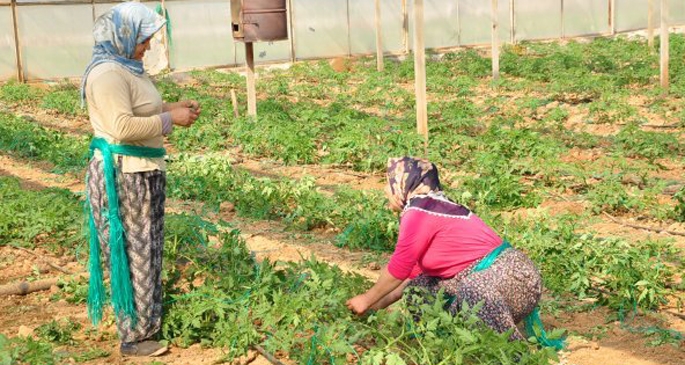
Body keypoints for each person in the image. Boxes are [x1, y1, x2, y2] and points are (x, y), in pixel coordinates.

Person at [81, 2, 200, 357]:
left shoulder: (127, 68)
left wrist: (171, 108)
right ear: (123, 36)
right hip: (124, 177)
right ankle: (134, 335)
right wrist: (169, 121)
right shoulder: (107, 75)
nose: (147, 46)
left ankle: (147, 324)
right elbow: (121, 127)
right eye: (143, 39)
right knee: (133, 251)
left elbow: (139, 111)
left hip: (142, 172)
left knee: (146, 249)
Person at [346, 157, 563, 349]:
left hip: (514, 279)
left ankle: (507, 351)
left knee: (474, 290)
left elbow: (399, 267)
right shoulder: (430, 207)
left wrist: (365, 299)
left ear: (403, 183)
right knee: (419, 289)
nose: (386, 190)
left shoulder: (419, 211)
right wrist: (372, 307)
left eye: (389, 183)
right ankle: (447, 343)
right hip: (498, 283)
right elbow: (406, 279)